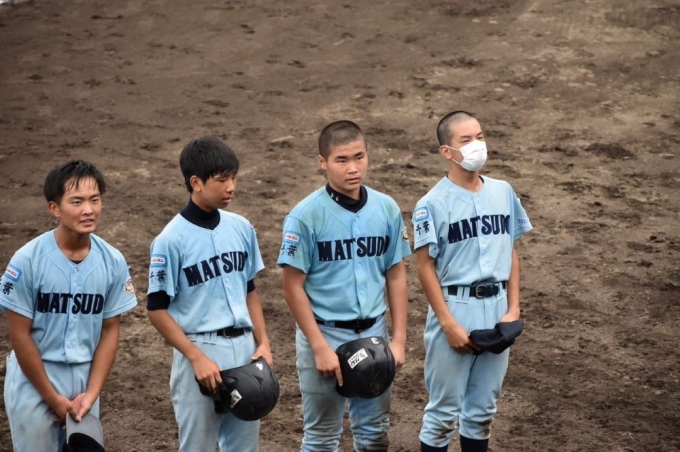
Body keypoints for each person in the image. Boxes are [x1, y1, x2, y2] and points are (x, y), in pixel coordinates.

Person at [278, 120, 411, 452]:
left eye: (359, 157)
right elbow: (292, 287)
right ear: (322, 162)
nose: (353, 168)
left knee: (375, 433)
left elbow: (396, 274)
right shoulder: (304, 217)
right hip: (324, 333)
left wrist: (398, 340)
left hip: (374, 334)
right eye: (341, 160)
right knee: (322, 437)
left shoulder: (386, 208)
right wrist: (319, 347)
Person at [414, 111, 533, 452]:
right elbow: (424, 267)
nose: (476, 145)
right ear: (446, 151)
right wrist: (448, 323)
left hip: (497, 307)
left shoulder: (503, 192)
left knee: (482, 412)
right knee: (442, 416)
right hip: (456, 306)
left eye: (479, 137)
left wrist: (513, 308)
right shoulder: (431, 204)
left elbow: (510, 251)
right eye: (465, 140)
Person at [0, 160, 138, 452]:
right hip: (34, 376)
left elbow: (110, 330)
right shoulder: (27, 260)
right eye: (77, 201)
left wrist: (92, 393)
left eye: (94, 200)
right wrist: (51, 397)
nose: (88, 209)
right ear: (55, 208)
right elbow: (19, 335)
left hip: (86, 380)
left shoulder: (112, 261)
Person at [146, 136, 273, 452]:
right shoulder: (170, 240)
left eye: (234, 178)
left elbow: (249, 291)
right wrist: (196, 357)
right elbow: (156, 310)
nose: (231, 187)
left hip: (245, 350)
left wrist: (264, 343)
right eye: (222, 180)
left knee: (245, 448)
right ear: (196, 183)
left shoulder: (241, 227)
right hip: (200, 350)